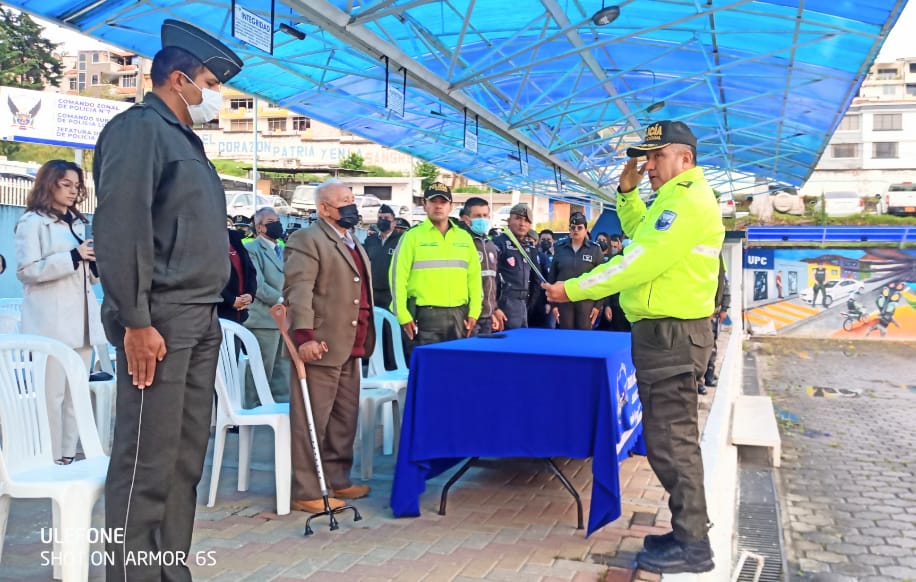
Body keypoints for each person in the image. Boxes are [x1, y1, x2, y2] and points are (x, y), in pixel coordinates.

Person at [92, 19, 244, 581]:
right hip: (159, 319)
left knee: (183, 460)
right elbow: (122, 227)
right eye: (211, 82)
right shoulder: (139, 130)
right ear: (180, 79)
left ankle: (168, 571)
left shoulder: (185, 140)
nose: (215, 95)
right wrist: (135, 320)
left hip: (199, 317)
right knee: (146, 462)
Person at [543, 120, 724, 573]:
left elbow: (638, 260)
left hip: (672, 335)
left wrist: (573, 290)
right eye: (647, 158)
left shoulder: (686, 200)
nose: (649, 166)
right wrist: (627, 193)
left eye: (657, 156)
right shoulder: (673, 199)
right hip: (664, 334)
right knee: (668, 439)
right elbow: (643, 232)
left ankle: (693, 544)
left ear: (685, 158)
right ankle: (688, 531)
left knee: (671, 441)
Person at [283, 180, 375, 513]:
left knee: (343, 418)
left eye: (352, 199)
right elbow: (299, 290)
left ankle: (337, 478)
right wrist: (304, 336)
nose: (352, 206)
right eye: (343, 201)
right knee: (312, 420)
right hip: (320, 344)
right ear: (323, 208)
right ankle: (307, 489)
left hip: (351, 343)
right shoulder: (307, 239)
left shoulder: (353, 240)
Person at [14, 159, 105, 465]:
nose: (72, 191)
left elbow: (88, 277)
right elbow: (27, 271)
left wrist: (96, 262)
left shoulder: (79, 223)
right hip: (50, 323)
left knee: (75, 394)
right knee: (51, 395)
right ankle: (49, 458)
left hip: (83, 323)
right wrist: (73, 257)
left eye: (77, 186)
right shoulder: (32, 222)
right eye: (66, 184)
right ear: (48, 184)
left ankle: (67, 455)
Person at [389, 182, 481, 355]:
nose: (438, 206)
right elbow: (397, 278)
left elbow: (475, 278)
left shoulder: (464, 238)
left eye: (443, 202)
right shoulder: (412, 237)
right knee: (427, 366)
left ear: (450, 206)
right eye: (433, 201)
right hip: (424, 317)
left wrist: (474, 312)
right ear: (425, 205)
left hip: (459, 315)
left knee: (458, 365)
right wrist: (402, 314)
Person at [243, 207, 291, 406]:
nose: (277, 225)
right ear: (260, 227)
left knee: (282, 370)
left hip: (285, 319)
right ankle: (252, 408)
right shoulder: (252, 249)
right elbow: (258, 285)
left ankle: (280, 408)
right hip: (264, 319)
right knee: (261, 369)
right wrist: (282, 301)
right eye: (271, 222)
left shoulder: (283, 249)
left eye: (278, 221)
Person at [547, 212, 602, 330]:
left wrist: (598, 305)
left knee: (584, 336)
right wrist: (553, 305)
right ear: (569, 230)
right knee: (566, 335)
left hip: (586, 301)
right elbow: (552, 277)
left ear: (586, 230)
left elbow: (602, 278)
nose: (576, 230)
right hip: (563, 300)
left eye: (579, 228)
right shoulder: (560, 248)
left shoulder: (595, 250)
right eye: (573, 227)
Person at [492, 204, 538, 329]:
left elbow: (535, 280)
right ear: (509, 220)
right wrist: (494, 307)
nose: (522, 224)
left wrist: (530, 303)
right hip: (505, 302)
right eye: (518, 218)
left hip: (523, 304)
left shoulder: (527, 247)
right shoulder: (499, 243)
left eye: (526, 220)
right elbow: (490, 279)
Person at [460, 197, 501, 334]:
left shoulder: (490, 245)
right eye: (477, 216)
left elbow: (492, 282)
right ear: (466, 219)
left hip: (487, 316)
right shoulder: (462, 243)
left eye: (485, 215)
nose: (482, 219)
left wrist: (493, 310)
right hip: (469, 316)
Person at [700, 257, 730, 395]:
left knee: (710, 346)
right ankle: (699, 381)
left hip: (712, 312)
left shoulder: (718, 260)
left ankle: (709, 375)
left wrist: (724, 308)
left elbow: (725, 285)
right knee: (698, 349)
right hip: (697, 313)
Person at [364, 204, 401, 310]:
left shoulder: (401, 240)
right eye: (380, 218)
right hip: (373, 291)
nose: (382, 220)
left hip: (392, 292)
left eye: (386, 218)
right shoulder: (370, 240)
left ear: (394, 222)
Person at [218, 227, 257, 323]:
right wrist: (230, 300)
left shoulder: (234, 237)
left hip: (240, 314)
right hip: (217, 314)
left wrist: (250, 294)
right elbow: (206, 277)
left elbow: (250, 270)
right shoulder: (205, 239)